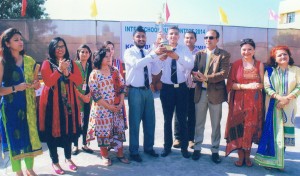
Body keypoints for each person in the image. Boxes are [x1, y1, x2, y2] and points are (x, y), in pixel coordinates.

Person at [0, 28, 42, 176]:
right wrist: (15, 88)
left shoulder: (29, 61)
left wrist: (36, 85)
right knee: (14, 141)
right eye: (16, 40)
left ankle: (30, 169)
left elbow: (34, 83)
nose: (20, 42)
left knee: (28, 139)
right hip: (10, 109)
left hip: (28, 107)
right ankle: (19, 173)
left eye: (21, 39)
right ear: (7, 43)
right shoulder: (3, 63)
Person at [39, 37, 82, 175]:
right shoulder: (46, 63)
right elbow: (48, 82)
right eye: (57, 46)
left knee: (68, 130)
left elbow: (79, 81)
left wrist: (67, 73)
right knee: (52, 133)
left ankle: (68, 159)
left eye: (62, 46)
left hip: (69, 103)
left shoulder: (72, 63)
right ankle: (55, 161)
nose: (60, 49)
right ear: (52, 49)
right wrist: (59, 70)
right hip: (52, 104)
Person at [255, 45, 300, 170]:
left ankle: (280, 161)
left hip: (289, 107)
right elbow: (267, 87)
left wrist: (287, 99)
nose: (282, 57)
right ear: (274, 59)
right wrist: (280, 98)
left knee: (284, 135)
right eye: (279, 55)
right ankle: (269, 161)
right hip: (273, 106)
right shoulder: (270, 71)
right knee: (272, 133)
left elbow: (299, 86)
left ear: (289, 56)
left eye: (284, 54)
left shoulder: (296, 70)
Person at [124, 26, 165, 162]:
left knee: (150, 121)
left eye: (143, 36)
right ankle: (134, 151)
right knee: (135, 122)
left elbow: (155, 70)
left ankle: (148, 148)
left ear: (146, 38)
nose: (141, 39)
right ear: (133, 38)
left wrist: (158, 56)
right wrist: (153, 54)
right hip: (135, 91)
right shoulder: (129, 52)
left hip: (148, 91)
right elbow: (136, 64)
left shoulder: (148, 52)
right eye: (138, 36)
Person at [192, 29, 230, 163]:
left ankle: (215, 150)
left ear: (217, 40)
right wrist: (195, 76)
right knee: (199, 123)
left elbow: (224, 74)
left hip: (216, 94)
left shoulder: (223, 55)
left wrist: (205, 78)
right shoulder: (199, 54)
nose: (208, 40)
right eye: (206, 37)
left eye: (211, 37)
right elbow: (194, 70)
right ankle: (197, 148)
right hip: (200, 93)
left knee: (215, 124)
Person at [224, 39, 264, 167]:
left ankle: (248, 155)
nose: (246, 52)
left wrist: (258, 85)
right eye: (244, 49)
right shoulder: (236, 64)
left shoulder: (259, 65)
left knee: (250, 128)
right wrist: (246, 86)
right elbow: (230, 84)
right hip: (238, 103)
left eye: (249, 49)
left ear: (254, 51)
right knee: (240, 128)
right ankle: (241, 156)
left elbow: (263, 84)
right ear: (241, 51)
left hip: (254, 103)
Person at [87, 48, 130, 166]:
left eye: (110, 56)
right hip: (102, 110)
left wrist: (120, 103)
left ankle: (120, 154)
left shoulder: (115, 71)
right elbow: (95, 95)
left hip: (117, 108)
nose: (109, 58)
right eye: (106, 56)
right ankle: (105, 156)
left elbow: (122, 87)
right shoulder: (94, 74)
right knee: (103, 133)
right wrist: (109, 107)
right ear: (100, 59)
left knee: (118, 131)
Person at [158, 26, 194, 158]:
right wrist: (159, 57)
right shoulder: (162, 48)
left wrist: (177, 57)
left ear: (179, 37)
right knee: (167, 119)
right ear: (167, 36)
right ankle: (167, 147)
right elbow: (155, 68)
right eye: (171, 34)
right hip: (167, 88)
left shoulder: (183, 49)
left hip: (181, 88)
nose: (173, 36)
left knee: (182, 119)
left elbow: (190, 65)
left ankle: (184, 148)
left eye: (175, 34)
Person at [173, 30, 199, 149]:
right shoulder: (179, 50)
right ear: (184, 39)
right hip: (180, 86)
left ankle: (190, 139)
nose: (189, 40)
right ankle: (178, 138)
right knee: (178, 113)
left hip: (193, 87)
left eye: (191, 38)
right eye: (187, 38)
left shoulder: (199, 53)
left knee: (192, 114)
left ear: (195, 40)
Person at [72, 44, 94, 155]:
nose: (84, 54)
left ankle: (85, 144)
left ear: (89, 54)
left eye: (86, 52)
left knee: (86, 121)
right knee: (76, 122)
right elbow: (71, 84)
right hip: (77, 98)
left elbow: (93, 83)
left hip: (88, 98)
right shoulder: (74, 65)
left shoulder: (91, 66)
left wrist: (88, 95)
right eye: (82, 51)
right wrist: (82, 96)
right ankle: (75, 145)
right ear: (78, 53)